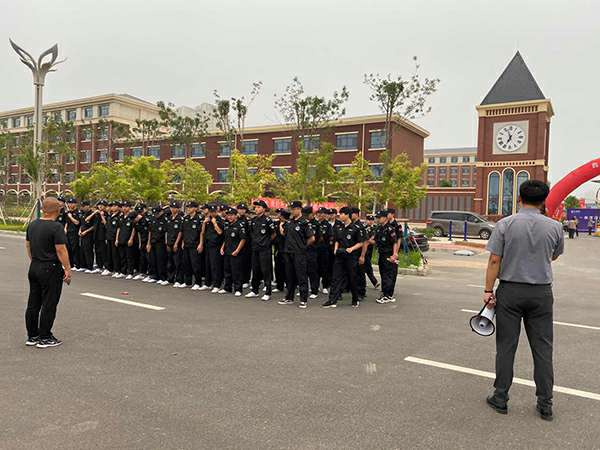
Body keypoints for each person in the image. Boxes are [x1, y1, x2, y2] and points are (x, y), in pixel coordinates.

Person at [483, 180, 564, 421]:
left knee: (506, 346)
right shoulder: (555, 227)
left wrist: (488, 290)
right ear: (543, 201)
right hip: (541, 293)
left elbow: (494, 260)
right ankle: (545, 403)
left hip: (510, 291)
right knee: (543, 348)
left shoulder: (505, 224)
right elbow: (553, 256)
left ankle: (500, 397)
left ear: (519, 198)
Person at [25, 197, 72, 348]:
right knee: (49, 303)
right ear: (57, 210)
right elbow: (61, 250)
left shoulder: (32, 225)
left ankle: (32, 335)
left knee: (33, 303)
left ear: (43, 209)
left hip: (35, 266)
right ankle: (45, 337)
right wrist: (67, 269)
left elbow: (28, 246)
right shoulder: (56, 227)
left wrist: (35, 260)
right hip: (50, 268)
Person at [322, 206, 365, 308]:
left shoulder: (356, 228)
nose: (340, 216)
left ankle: (355, 299)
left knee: (352, 278)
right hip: (340, 256)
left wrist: (352, 249)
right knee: (335, 278)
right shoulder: (339, 227)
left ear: (347, 215)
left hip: (351, 256)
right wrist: (335, 249)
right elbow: (337, 240)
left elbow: (361, 242)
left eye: (341, 214)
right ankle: (332, 300)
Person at [278, 201, 314, 308]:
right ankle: (289, 297)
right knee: (289, 276)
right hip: (288, 252)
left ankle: (303, 300)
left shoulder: (304, 222)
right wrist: (281, 225)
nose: (292, 211)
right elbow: (283, 233)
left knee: (301, 276)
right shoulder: (290, 222)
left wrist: (303, 247)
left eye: (294, 209)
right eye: (291, 209)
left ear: (299, 209)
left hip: (299, 253)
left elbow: (312, 238)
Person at [246, 200, 276, 301]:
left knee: (265, 270)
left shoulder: (268, 220)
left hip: (265, 249)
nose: (256, 209)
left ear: (263, 209)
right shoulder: (253, 220)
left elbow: (273, 234)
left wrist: (266, 242)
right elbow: (251, 233)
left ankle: (268, 292)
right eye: (255, 207)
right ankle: (255, 290)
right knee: (255, 269)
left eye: (259, 207)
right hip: (255, 248)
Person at [220, 208, 247, 296]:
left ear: (236, 215)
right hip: (227, 251)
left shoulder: (240, 225)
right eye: (228, 215)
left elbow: (243, 239)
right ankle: (227, 288)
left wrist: (237, 250)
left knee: (236, 271)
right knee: (227, 270)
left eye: (231, 215)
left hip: (236, 252)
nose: (229, 217)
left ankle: (238, 289)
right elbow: (226, 239)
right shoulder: (227, 225)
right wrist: (222, 248)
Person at [372, 210, 398, 303]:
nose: (378, 219)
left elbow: (395, 242)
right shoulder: (379, 228)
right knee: (383, 274)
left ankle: (387, 295)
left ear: (385, 218)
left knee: (387, 275)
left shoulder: (390, 229)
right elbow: (375, 240)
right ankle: (387, 294)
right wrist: (366, 240)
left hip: (388, 254)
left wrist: (394, 254)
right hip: (381, 254)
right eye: (377, 218)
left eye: (379, 218)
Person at [181, 201, 204, 290]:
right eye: (188, 207)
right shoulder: (186, 218)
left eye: (190, 207)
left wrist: (201, 244)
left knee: (195, 265)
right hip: (186, 243)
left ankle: (198, 283)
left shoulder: (199, 218)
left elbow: (201, 232)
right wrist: (183, 242)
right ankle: (188, 282)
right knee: (186, 264)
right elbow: (183, 231)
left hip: (195, 244)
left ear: (195, 208)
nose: (188, 209)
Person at [203, 204, 225, 293]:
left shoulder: (219, 220)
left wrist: (214, 223)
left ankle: (217, 285)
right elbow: (203, 232)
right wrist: (204, 222)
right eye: (210, 212)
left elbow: (220, 232)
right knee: (207, 265)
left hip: (216, 246)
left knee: (215, 266)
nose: (212, 213)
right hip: (208, 244)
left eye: (214, 212)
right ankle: (208, 283)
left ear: (217, 211)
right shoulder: (208, 219)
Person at [146, 206, 168, 285]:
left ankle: (162, 277)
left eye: (157, 213)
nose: (156, 215)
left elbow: (166, 233)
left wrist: (166, 243)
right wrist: (148, 243)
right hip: (153, 241)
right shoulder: (153, 219)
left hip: (161, 243)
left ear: (161, 212)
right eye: (155, 213)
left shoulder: (165, 220)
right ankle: (154, 276)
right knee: (152, 260)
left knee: (160, 260)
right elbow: (150, 231)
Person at [315, 207, 333, 295]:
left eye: (322, 213)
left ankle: (325, 286)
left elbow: (331, 237)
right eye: (319, 213)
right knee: (316, 268)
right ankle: (316, 285)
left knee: (324, 268)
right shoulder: (315, 223)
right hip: (315, 249)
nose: (320, 214)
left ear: (325, 214)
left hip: (324, 249)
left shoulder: (328, 225)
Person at [166, 201, 184, 287]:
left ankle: (179, 280)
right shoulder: (169, 218)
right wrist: (167, 242)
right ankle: (170, 278)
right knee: (170, 263)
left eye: (175, 208)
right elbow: (167, 231)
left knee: (178, 262)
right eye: (171, 207)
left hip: (177, 243)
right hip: (169, 242)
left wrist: (176, 243)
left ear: (178, 209)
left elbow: (180, 232)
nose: (173, 209)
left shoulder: (180, 219)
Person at [78, 200, 96, 273]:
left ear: (88, 206)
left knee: (88, 250)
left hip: (89, 234)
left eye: (84, 206)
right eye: (82, 206)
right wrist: (80, 230)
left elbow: (94, 226)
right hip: (82, 234)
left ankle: (90, 266)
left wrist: (86, 231)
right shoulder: (83, 213)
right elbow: (82, 224)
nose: (83, 208)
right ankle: (83, 265)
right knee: (82, 249)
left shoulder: (92, 214)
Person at [64, 198, 81, 271]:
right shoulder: (68, 212)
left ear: (75, 204)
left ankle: (77, 264)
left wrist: (70, 217)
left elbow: (77, 222)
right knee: (68, 248)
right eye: (69, 203)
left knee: (74, 248)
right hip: (68, 232)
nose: (70, 205)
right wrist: (65, 228)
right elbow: (67, 222)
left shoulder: (77, 212)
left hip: (74, 232)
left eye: (72, 203)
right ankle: (70, 264)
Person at [363, 214, 379, 289]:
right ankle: (374, 282)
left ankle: (366, 282)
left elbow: (375, 240)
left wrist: (368, 240)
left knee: (367, 265)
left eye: (372, 220)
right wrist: (368, 240)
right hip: (362, 249)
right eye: (369, 220)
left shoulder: (375, 228)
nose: (370, 221)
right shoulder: (363, 228)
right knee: (367, 266)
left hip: (370, 249)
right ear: (366, 220)